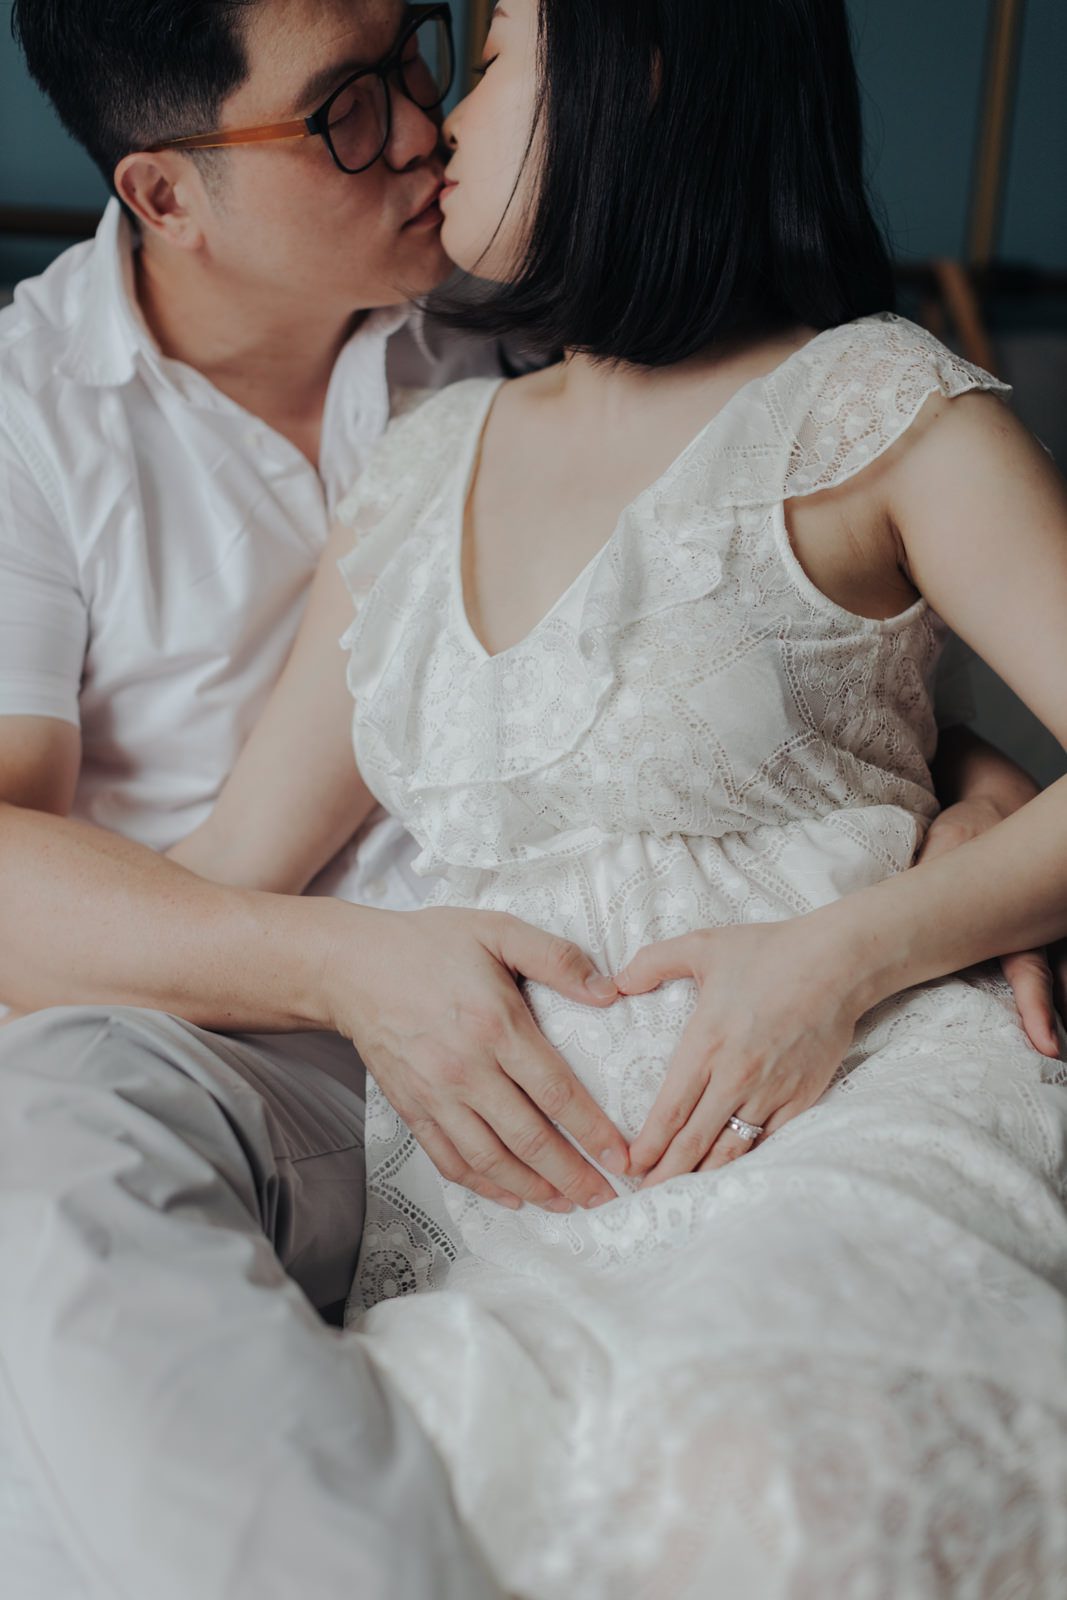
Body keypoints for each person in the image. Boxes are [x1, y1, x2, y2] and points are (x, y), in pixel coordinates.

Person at [0, 1, 1059, 1597]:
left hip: (785, 1084)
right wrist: (341, 972)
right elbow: (200, 874)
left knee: (770, 1457)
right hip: (397, 1106)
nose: (428, 124)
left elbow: (881, 686)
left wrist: (917, 894)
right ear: (166, 194)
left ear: (633, 91)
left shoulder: (764, 379)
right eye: (356, 105)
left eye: (456, 57)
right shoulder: (371, 456)